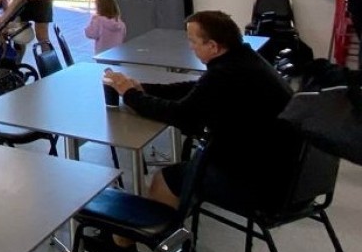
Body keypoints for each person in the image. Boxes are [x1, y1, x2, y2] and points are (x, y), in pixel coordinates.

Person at [104, 11, 294, 211]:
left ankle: (164, 230)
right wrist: (144, 89)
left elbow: (181, 115)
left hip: (258, 181)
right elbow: (197, 89)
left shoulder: (226, 73)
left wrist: (130, 95)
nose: (191, 47)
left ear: (212, 46)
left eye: (193, 41)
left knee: (164, 179)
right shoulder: (244, 60)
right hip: (282, 168)